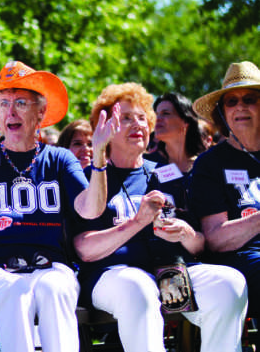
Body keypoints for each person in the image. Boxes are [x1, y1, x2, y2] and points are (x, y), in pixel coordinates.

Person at [0, 60, 118, 352]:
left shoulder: (59, 159)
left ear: (41, 112)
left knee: (55, 288)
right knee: (16, 290)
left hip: (49, 267)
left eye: (21, 102)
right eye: (4, 103)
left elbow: (91, 209)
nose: (11, 111)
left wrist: (98, 154)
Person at [73, 82, 248, 352]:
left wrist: (186, 234)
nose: (138, 125)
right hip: (114, 275)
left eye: (143, 118)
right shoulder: (91, 178)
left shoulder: (168, 174)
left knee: (229, 283)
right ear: (104, 127)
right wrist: (137, 222)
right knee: (138, 289)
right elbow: (85, 249)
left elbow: (200, 243)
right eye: (127, 118)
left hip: (171, 272)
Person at [190, 61, 260, 316]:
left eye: (249, 99)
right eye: (231, 101)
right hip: (241, 260)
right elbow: (216, 239)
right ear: (222, 112)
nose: (240, 106)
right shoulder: (211, 163)